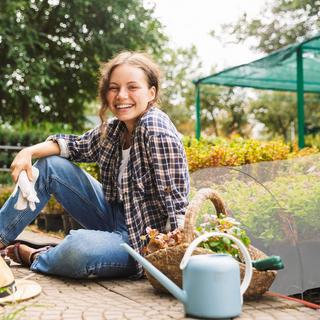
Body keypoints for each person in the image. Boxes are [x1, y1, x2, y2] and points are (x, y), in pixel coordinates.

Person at [0, 51, 190, 279]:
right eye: (114, 87)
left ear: (151, 93)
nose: (121, 95)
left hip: (140, 241)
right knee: (49, 165)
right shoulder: (114, 130)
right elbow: (72, 145)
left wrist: (174, 256)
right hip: (113, 215)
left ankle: (35, 256)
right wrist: (27, 152)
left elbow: (176, 204)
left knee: (80, 247)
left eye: (132, 87)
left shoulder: (155, 128)